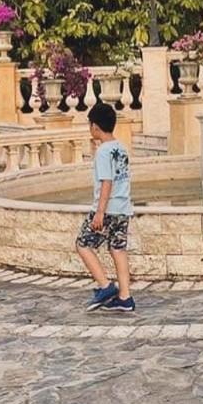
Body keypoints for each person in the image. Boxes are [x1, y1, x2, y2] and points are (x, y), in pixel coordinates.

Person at [76, 102, 135, 312]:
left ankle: (105, 286)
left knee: (82, 244)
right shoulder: (121, 147)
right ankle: (125, 297)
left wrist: (99, 212)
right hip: (123, 208)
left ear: (95, 126)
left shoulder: (103, 151)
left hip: (107, 209)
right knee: (118, 249)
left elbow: (107, 182)